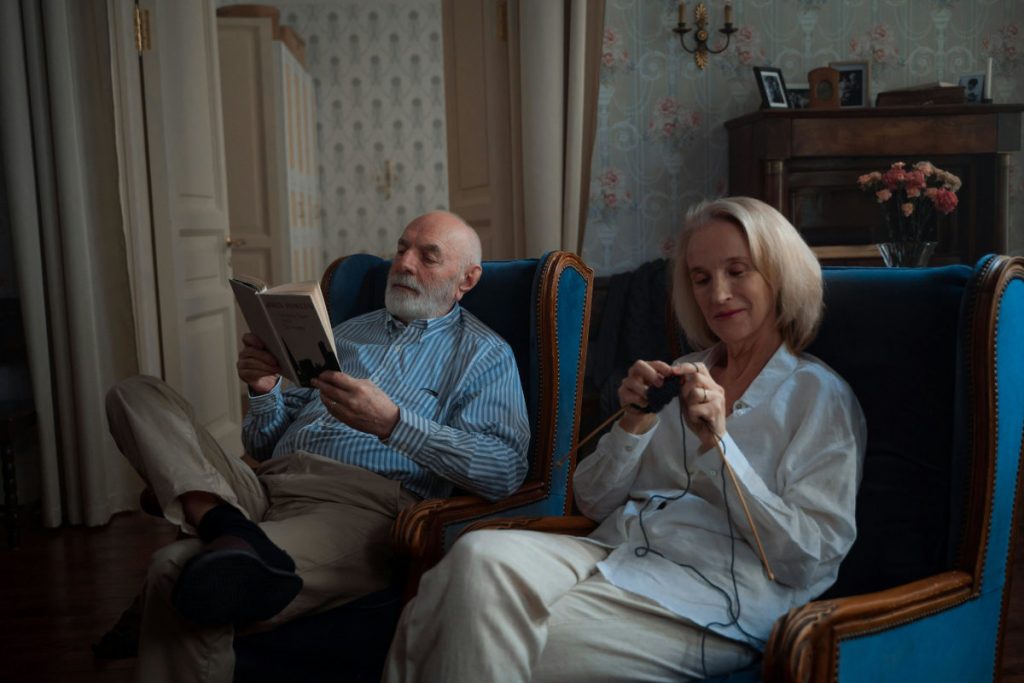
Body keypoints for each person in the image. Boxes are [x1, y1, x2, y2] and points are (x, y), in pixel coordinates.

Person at [383, 197, 867, 682]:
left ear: (778, 274)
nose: (718, 294)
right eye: (701, 279)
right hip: (613, 553)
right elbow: (594, 501)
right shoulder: (682, 373)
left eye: (737, 272)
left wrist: (719, 446)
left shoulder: (818, 397)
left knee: (448, 622)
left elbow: (807, 559)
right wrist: (633, 424)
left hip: (711, 595)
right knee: (474, 555)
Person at [105, 210, 530, 682]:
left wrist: (393, 424)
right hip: (264, 485)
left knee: (171, 569)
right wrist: (265, 391)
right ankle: (228, 525)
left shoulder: (484, 356)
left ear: (467, 279)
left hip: (356, 507)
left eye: (428, 256)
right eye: (401, 249)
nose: (404, 264)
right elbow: (264, 443)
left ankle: (220, 536)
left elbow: (504, 469)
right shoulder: (347, 333)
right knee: (137, 394)